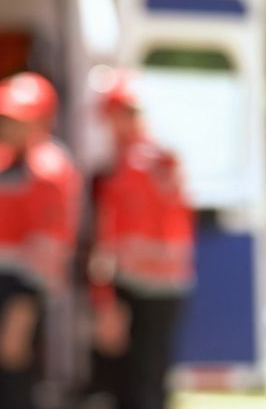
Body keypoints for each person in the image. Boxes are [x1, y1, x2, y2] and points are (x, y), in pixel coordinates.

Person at [0, 72, 80, 409]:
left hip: (16, 301)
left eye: (15, 120)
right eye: (1, 118)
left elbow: (51, 248)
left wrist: (24, 308)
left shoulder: (48, 169)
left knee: (14, 391)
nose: (4, 127)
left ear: (43, 120)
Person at [89, 72, 194, 409]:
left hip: (132, 287)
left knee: (132, 385)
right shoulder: (165, 160)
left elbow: (109, 240)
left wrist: (104, 299)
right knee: (153, 379)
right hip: (171, 286)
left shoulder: (125, 169)